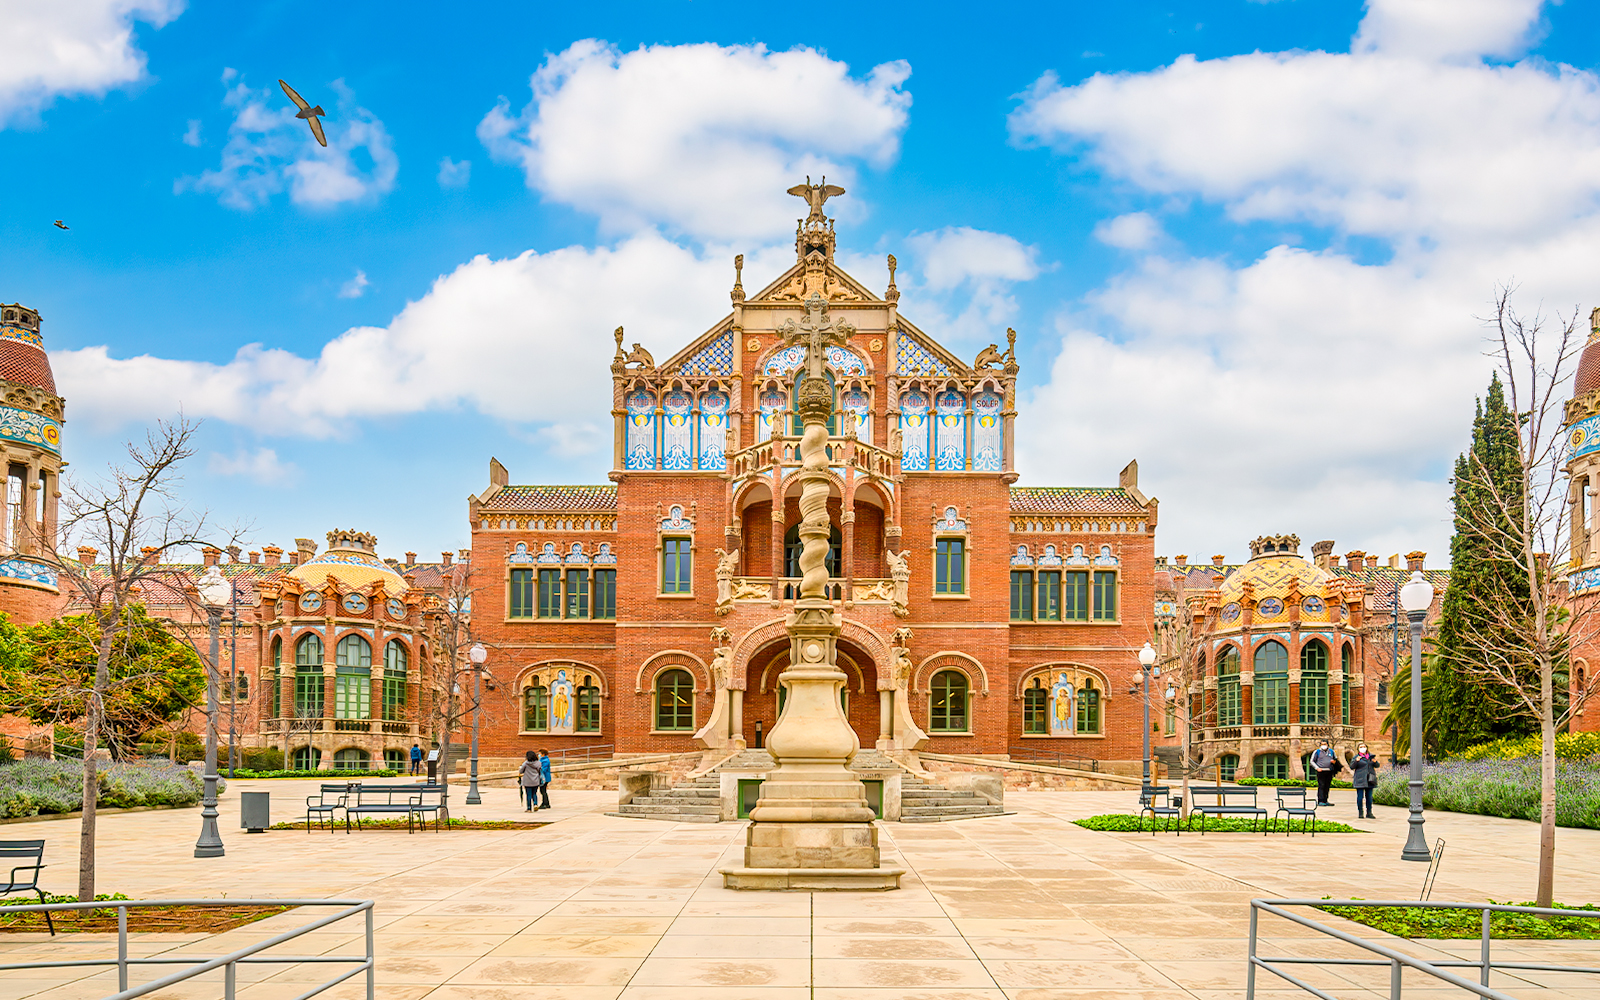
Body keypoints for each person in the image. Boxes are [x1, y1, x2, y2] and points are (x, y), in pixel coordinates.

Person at [1350, 742, 1380, 819]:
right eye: (1361, 747)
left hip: (1370, 780)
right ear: (1358, 749)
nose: (1363, 748)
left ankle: (1369, 812)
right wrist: (1356, 761)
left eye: (1364, 747)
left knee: (1369, 797)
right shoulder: (1356, 757)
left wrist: (1375, 762)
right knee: (1360, 797)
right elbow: (1352, 767)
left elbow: (1377, 765)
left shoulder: (1370, 757)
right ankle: (1360, 812)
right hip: (1360, 779)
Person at [1309, 740, 1339, 806]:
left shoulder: (1331, 751)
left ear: (1328, 744)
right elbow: (1312, 761)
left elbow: (1336, 759)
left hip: (1329, 771)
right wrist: (1317, 768)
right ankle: (1320, 800)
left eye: (1325, 744)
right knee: (1321, 785)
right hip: (1321, 771)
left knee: (1327, 786)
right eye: (1322, 744)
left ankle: (1325, 800)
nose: (1323, 745)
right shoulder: (1317, 752)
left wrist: (1334, 762)